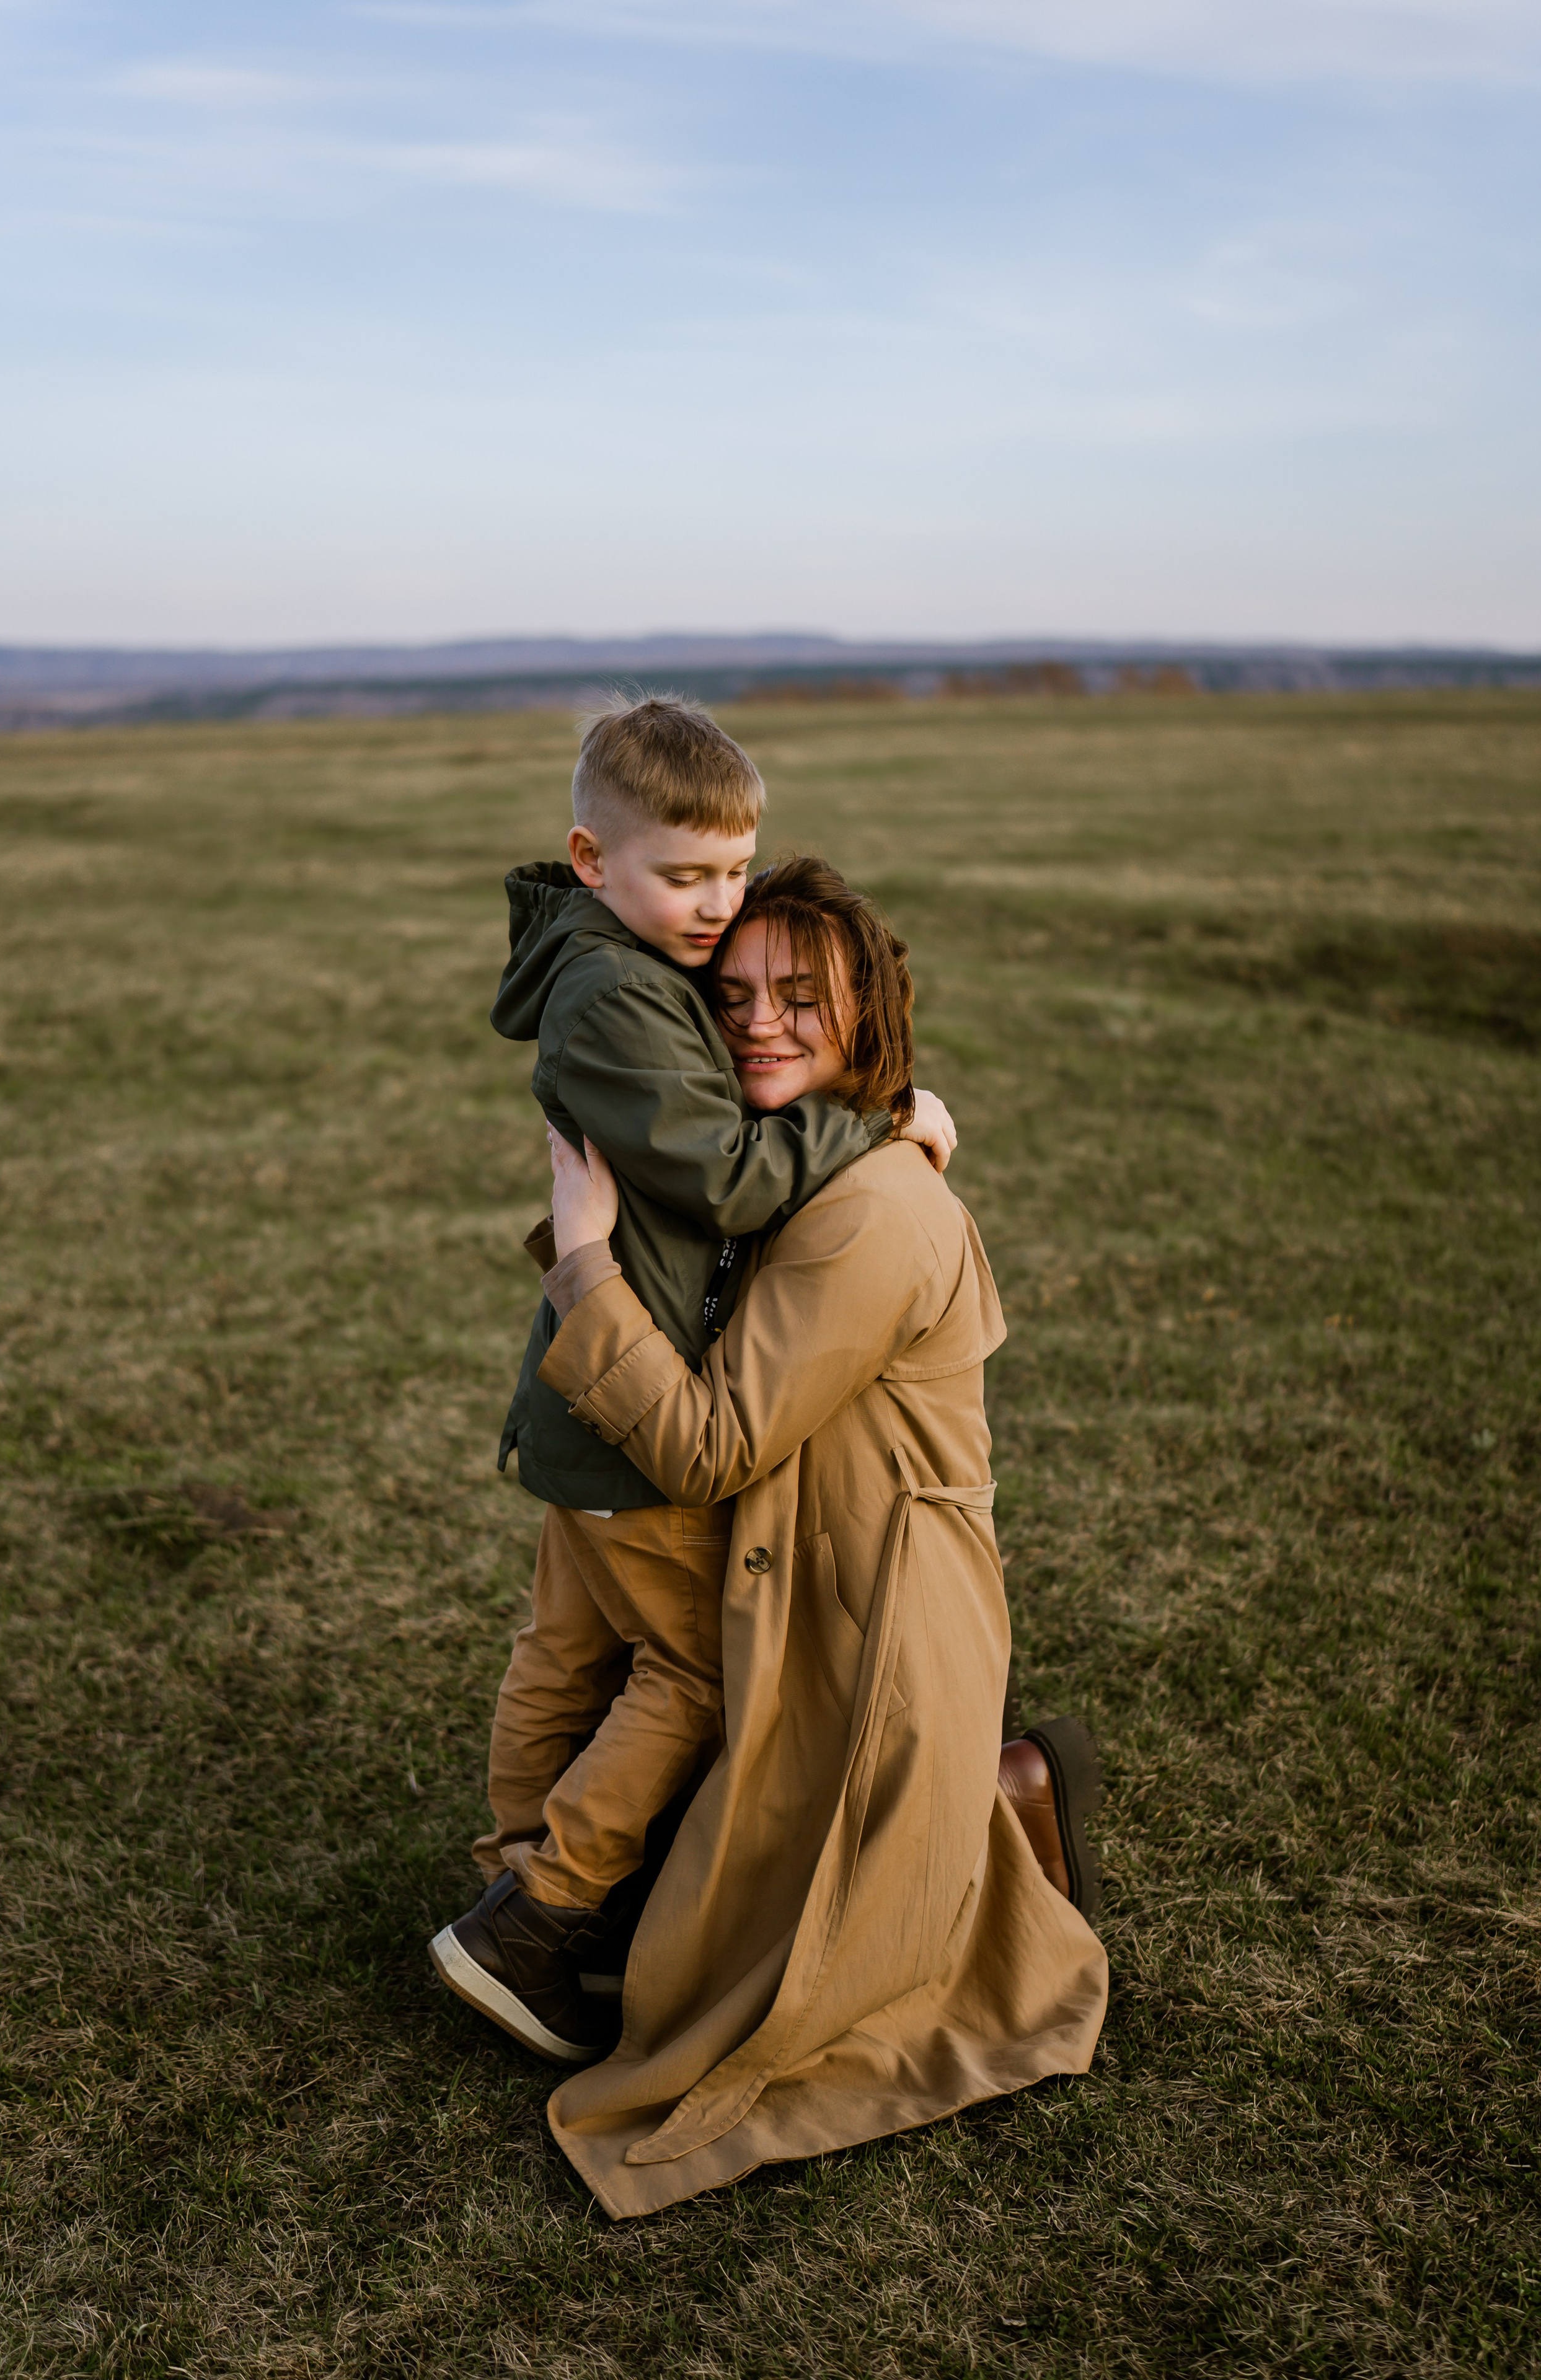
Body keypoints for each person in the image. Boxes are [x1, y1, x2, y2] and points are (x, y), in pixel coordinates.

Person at [526, 856, 1108, 2217]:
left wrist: (579, 1269)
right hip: (792, 1561)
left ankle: (1002, 1802)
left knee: (731, 1994)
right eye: (727, 997)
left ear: (868, 1013)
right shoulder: (798, 1169)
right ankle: (549, 1908)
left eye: (801, 995)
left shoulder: (870, 1208)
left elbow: (710, 1442)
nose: (760, 1021)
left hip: (875, 1608)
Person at [429, 699, 956, 2061]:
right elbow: (726, 1175)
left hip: (583, 1402)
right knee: (693, 1675)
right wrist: (875, 1119)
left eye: (735, 870)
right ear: (591, 858)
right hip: (628, 1412)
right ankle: (536, 1917)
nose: (719, 905)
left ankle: (511, 1874)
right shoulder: (612, 991)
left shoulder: (619, 960)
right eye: (688, 876)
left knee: (565, 1656)